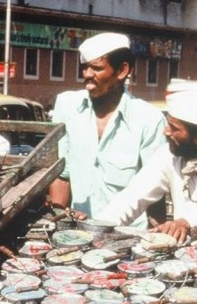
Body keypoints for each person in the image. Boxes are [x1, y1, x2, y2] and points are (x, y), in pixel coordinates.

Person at [98, 90, 197, 243]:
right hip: (186, 255)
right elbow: (133, 196)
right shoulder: (168, 155)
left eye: (174, 128)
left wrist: (186, 222)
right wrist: (98, 227)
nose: (165, 132)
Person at [46, 32, 167, 225]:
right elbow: (62, 174)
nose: (87, 75)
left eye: (96, 68)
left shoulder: (149, 119)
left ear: (121, 71)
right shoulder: (67, 106)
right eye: (84, 68)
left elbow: (155, 187)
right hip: (79, 231)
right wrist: (59, 219)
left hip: (127, 235)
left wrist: (157, 238)